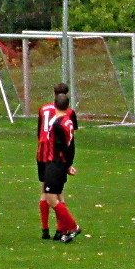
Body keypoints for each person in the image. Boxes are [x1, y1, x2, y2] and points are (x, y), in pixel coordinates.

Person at [42, 93, 82, 242]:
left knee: (51, 198)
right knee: (56, 196)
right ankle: (65, 230)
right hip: (61, 163)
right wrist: (69, 164)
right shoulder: (68, 121)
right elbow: (71, 145)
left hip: (55, 163)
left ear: (54, 105)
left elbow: (61, 146)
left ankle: (73, 226)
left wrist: (64, 164)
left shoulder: (57, 123)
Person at [36, 83, 72, 239]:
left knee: (44, 191)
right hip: (56, 154)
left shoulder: (43, 109)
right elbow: (69, 137)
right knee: (58, 193)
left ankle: (45, 230)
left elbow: (39, 132)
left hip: (42, 151)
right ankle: (60, 229)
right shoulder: (67, 112)